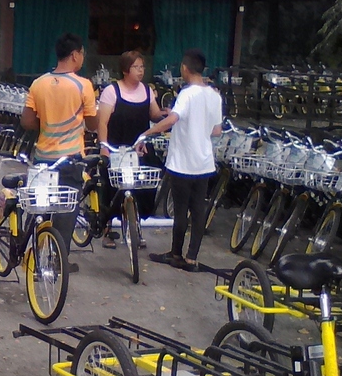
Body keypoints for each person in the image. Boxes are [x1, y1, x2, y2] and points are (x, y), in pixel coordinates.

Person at [136, 49, 223, 271]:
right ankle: (192, 257)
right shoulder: (214, 95)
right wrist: (197, 125)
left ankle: (176, 254)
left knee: (181, 209)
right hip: (204, 162)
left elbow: (173, 119)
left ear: (185, 68)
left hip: (182, 162)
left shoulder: (187, 93)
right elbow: (216, 130)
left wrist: (147, 133)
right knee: (198, 210)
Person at [21, 32, 97, 245]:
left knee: (39, 210)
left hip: (43, 158)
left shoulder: (38, 83)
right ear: (75, 55)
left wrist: (47, 123)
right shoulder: (83, 85)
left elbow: (26, 121)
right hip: (70, 161)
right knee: (64, 217)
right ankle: (58, 258)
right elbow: (92, 124)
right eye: (82, 54)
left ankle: (33, 253)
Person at [96, 51, 165, 245]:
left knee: (142, 188)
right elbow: (102, 123)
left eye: (142, 67)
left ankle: (136, 228)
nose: (140, 71)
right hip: (116, 147)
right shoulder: (112, 91)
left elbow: (154, 115)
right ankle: (107, 229)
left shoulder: (147, 90)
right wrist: (104, 147)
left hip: (139, 148)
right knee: (112, 189)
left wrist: (169, 115)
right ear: (125, 69)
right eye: (136, 67)